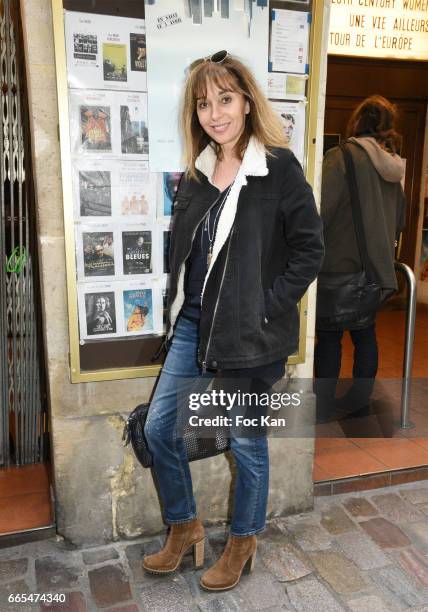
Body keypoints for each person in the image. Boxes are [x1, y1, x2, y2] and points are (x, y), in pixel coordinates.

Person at [142, 51, 324, 590]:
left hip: (251, 332)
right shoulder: (198, 171)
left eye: (225, 99)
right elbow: (191, 255)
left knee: (246, 443)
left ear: (247, 101)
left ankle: (242, 543)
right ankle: (186, 529)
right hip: (196, 323)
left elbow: (309, 252)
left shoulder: (278, 167)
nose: (215, 113)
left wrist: (266, 305)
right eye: (204, 104)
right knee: (158, 430)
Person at [315, 95, 406, 421]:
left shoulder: (341, 158)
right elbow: (400, 221)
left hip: (339, 266)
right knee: (365, 333)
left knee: (328, 338)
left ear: (356, 122)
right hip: (376, 271)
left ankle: (322, 406)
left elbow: (320, 212)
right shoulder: (394, 164)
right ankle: (358, 401)